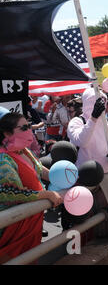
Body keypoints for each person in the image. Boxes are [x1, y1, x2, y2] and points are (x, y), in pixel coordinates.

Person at [0, 108, 63, 263]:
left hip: (32, 219)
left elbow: (40, 170)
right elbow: (11, 194)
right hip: (15, 224)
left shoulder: (24, 151)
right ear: (7, 134)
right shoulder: (3, 159)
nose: (29, 130)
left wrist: (66, 178)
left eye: (29, 125)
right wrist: (47, 194)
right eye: (24, 128)